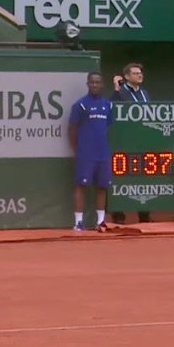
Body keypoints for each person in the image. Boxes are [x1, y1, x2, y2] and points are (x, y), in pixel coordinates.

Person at [69, 72, 114, 230]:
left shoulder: (108, 105)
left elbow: (108, 128)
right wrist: (78, 149)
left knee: (102, 187)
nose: (95, 85)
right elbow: (72, 130)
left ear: (102, 85)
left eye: (98, 82)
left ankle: (100, 221)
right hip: (85, 154)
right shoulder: (80, 105)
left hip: (103, 154)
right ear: (88, 84)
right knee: (81, 186)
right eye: (92, 82)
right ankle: (78, 222)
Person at [110, 62, 151, 223]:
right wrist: (116, 89)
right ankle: (118, 215)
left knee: (144, 177)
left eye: (140, 73)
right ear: (126, 76)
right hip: (125, 140)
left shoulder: (145, 93)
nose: (139, 75)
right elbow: (112, 107)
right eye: (135, 73)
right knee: (122, 177)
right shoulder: (121, 93)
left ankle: (144, 214)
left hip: (144, 139)